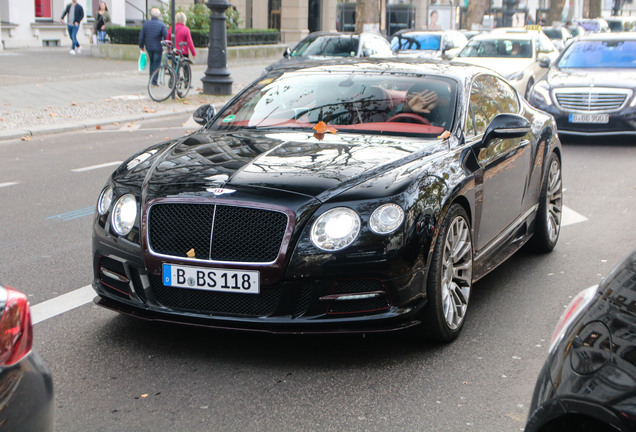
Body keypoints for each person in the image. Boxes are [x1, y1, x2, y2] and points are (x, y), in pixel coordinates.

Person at [139, 8, 168, 86]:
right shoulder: (162, 25)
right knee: (157, 63)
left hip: (149, 47)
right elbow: (166, 36)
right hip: (158, 47)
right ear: (158, 15)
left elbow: (141, 36)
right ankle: (154, 81)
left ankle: (151, 77)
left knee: (151, 62)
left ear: (151, 15)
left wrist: (141, 46)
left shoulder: (145, 24)